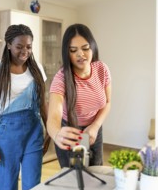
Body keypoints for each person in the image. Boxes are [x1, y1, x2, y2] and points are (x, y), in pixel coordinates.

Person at [0, 24, 48, 190]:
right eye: (19, 46)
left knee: (32, 187)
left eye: (28, 46)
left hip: (34, 131)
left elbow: (43, 104)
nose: (25, 51)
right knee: (7, 188)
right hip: (5, 135)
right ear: (9, 45)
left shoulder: (37, 69)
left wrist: (50, 133)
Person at [47, 23, 111, 168]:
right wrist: (57, 134)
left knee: (96, 173)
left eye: (85, 48)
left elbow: (107, 103)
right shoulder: (61, 78)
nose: (80, 54)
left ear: (92, 47)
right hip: (70, 130)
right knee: (73, 178)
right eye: (73, 50)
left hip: (94, 127)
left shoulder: (102, 69)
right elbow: (54, 117)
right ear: (67, 53)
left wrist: (95, 126)